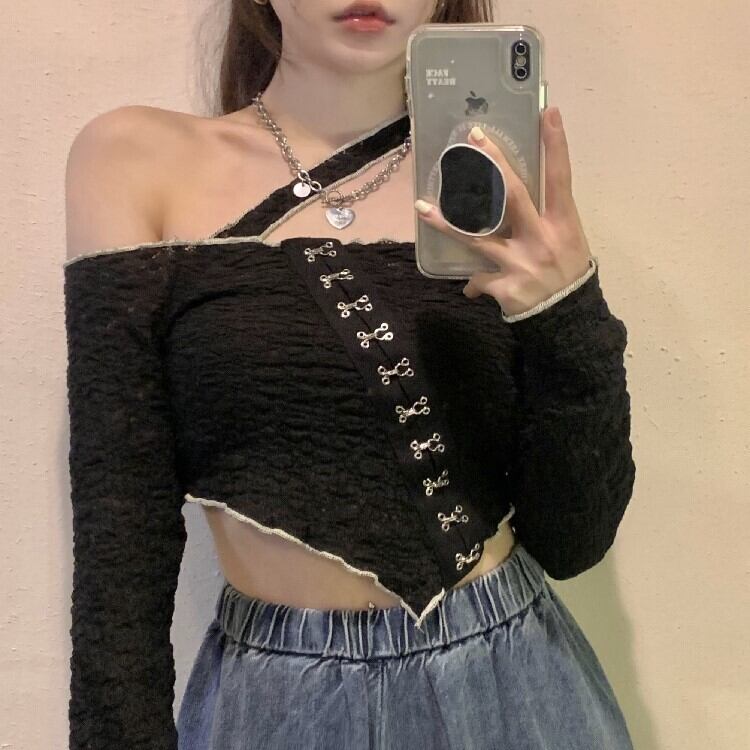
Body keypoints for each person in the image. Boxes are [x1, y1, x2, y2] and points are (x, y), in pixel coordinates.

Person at [63, 1, 637, 748]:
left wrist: (567, 311)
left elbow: (573, 540)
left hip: (516, 685)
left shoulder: (494, 176)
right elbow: (119, 530)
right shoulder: (134, 160)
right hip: (274, 707)